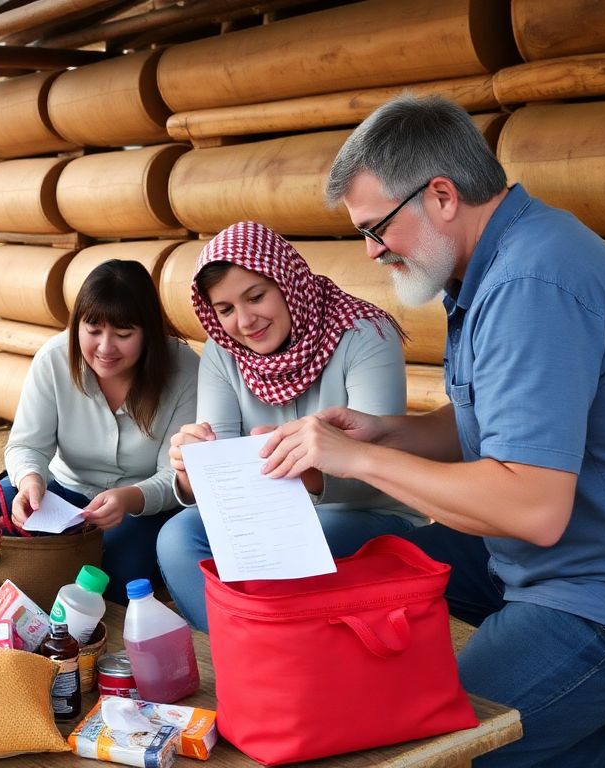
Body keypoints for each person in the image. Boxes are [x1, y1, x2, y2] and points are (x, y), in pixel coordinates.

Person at [258, 93, 605, 767]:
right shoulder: (497, 259)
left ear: (443, 196)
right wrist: (381, 435)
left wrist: (360, 462)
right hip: (548, 559)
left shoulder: (530, 283)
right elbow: (504, 424)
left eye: (376, 228)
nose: (370, 252)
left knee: (432, 752)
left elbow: (532, 507)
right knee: (340, 550)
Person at [158, 220, 420, 631]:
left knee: (282, 546)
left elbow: (380, 465)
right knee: (177, 537)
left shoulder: (365, 333)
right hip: (265, 511)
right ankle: (247, 653)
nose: (244, 322)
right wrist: (193, 475)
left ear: (287, 281)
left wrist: (307, 471)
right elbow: (221, 462)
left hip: (366, 511)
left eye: (256, 296)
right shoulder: (224, 353)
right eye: (225, 310)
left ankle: (276, 654)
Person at [0, 259, 199, 597]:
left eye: (123, 334)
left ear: (149, 331)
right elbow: (26, 446)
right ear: (76, 325)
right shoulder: (53, 359)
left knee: (114, 575)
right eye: (92, 331)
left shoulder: (185, 370)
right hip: (62, 493)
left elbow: (177, 476)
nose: (105, 348)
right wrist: (30, 480)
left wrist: (130, 498)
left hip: (143, 507)